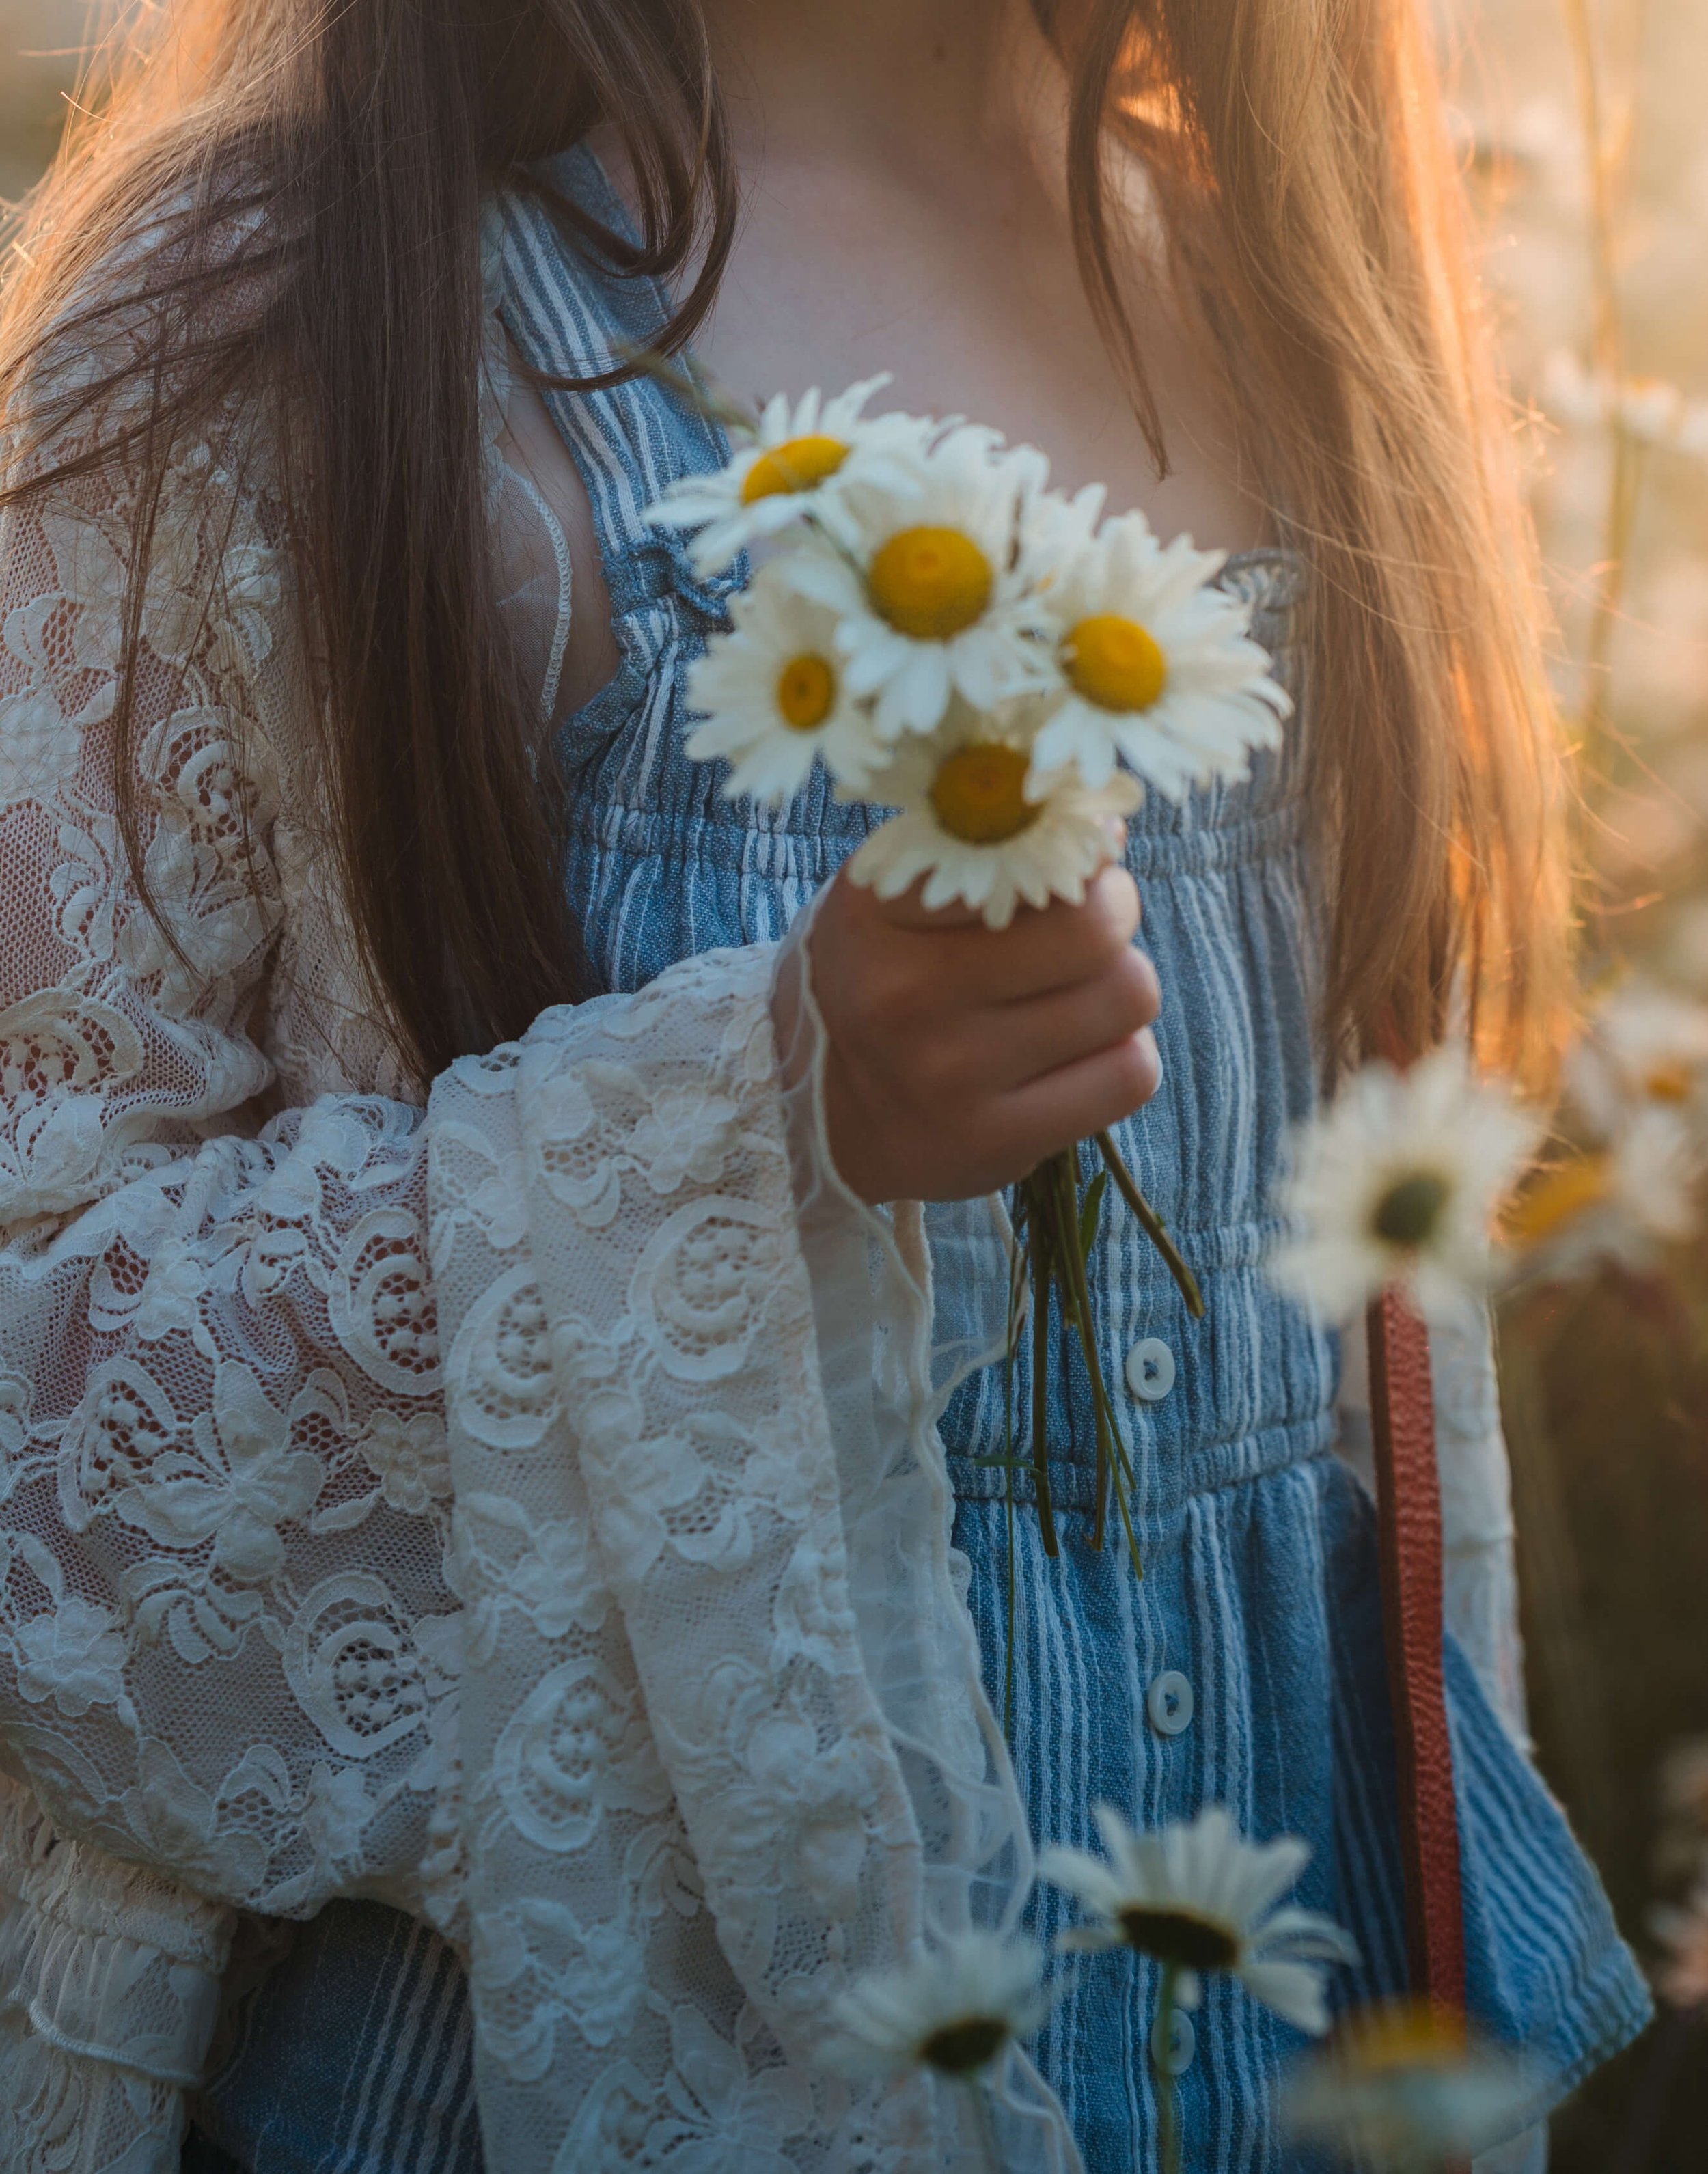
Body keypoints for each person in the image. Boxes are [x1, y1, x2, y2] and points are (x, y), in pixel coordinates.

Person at [0, 1, 1648, 2170]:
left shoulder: (1280, 298)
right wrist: (754, 1131)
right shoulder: (298, 319)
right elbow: (47, 1407)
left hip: (1272, 2019)